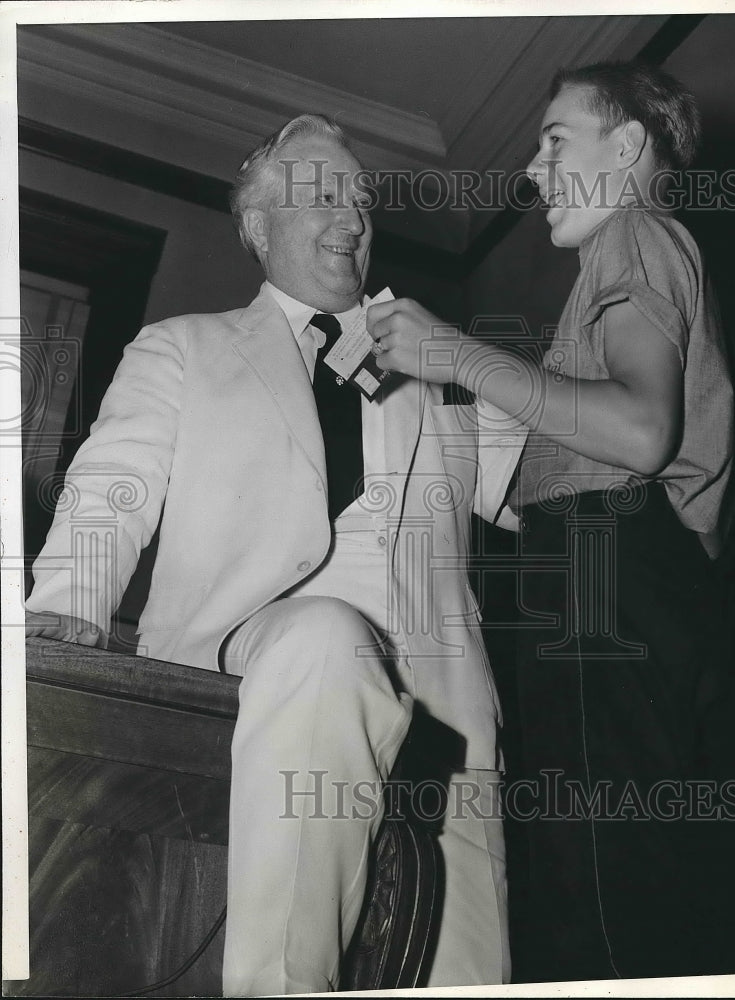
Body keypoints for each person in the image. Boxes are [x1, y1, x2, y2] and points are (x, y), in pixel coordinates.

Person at [25, 114, 526, 994]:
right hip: (243, 666)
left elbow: (541, 492)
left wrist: (467, 357)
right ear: (257, 227)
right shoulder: (184, 347)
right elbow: (112, 487)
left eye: (362, 199)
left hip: (441, 728)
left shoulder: (435, 361)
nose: (354, 214)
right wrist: (64, 609)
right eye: (323, 194)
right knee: (324, 638)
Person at [366, 62, 735, 980]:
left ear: (627, 146)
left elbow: (639, 430)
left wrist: (454, 353)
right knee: (610, 883)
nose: (532, 172)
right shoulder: (636, 254)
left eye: (553, 140)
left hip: (605, 564)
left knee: (598, 898)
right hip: (616, 573)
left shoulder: (636, 233)